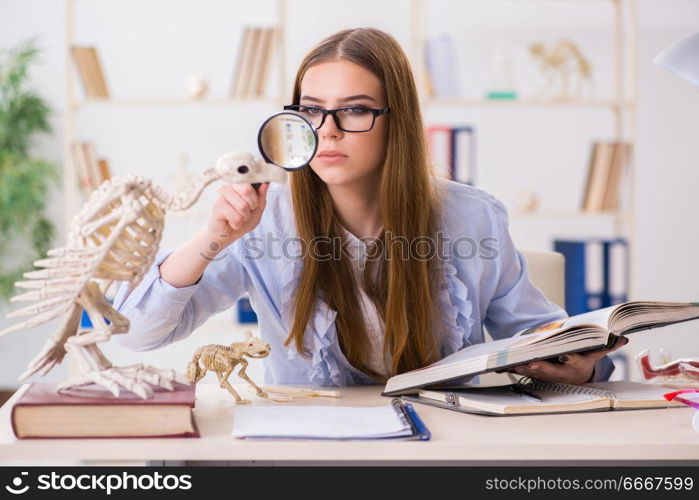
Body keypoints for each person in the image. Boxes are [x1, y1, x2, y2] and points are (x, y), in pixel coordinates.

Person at [113, 27, 625, 386]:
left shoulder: (473, 218)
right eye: (311, 111)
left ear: (395, 119)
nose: (327, 130)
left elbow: (543, 336)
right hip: (307, 451)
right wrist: (214, 240)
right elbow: (137, 335)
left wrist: (586, 364)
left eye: (354, 109)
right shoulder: (263, 218)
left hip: (445, 449)